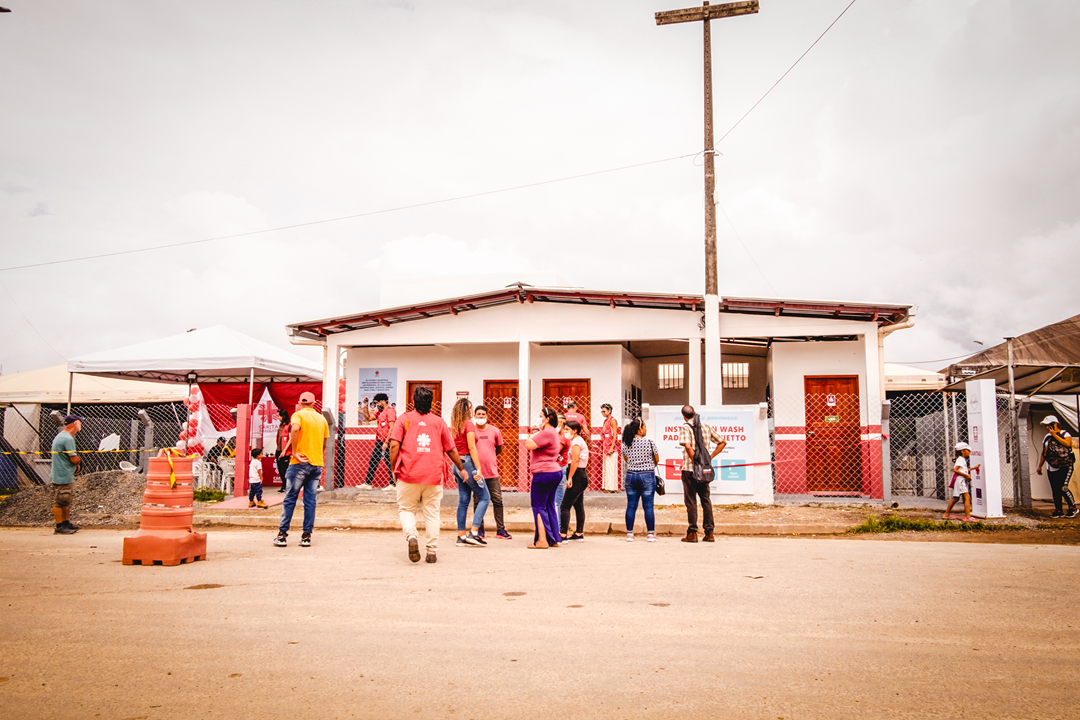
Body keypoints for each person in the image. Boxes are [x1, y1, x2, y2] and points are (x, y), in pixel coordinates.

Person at [389, 386, 465, 564]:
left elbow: (394, 446)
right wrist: (461, 467)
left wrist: (394, 468)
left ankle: (412, 537)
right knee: (432, 513)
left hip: (408, 474)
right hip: (433, 475)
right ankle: (431, 552)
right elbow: (451, 449)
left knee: (406, 509)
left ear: (413, 401)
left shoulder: (404, 419)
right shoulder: (439, 422)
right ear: (431, 402)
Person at [274, 392, 329, 549]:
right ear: (314, 403)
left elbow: (295, 429)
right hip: (316, 463)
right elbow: (324, 444)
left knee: (290, 498)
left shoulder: (298, 415)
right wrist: (317, 457)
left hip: (299, 462)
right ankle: (306, 537)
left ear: (300, 402)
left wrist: (296, 450)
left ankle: (282, 535)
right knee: (310, 500)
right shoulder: (321, 419)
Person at [679, 405, 726, 543]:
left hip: (689, 470)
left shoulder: (685, 427)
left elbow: (687, 446)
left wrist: (696, 461)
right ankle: (709, 533)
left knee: (691, 502)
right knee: (706, 500)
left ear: (684, 416)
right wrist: (708, 458)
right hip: (704, 471)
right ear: (695, 413)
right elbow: (722, 442)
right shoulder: (706, 426)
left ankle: (692, 533)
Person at [450, 397, 489, 547]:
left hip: (457, 464)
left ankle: (461, 536)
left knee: (464, 501)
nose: (473, 410)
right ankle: (474, 532)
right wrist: (478, 468)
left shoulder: (455, 426)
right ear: (467, 409)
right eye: (471, 407)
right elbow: (472, 448)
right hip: (467, 463)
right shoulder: (469, 425)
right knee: (485, 497)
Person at [524, 407, 563, 549]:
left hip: (543, 473)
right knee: (548, 505)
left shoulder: (546, 432)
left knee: (538, 505)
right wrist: (537, 432)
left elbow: (528, 444)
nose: (539, 418)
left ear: (547, 419)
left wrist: (532, 435)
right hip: (554, 472)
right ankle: (552, 538)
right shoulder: (552, 432)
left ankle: (542, 540)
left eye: (540, 416)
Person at [471, 405, 511, 539]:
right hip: (477, 473)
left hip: (492, 472)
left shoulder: (495, 431)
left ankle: (500, 530)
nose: (481, 417)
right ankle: (479, 529)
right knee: (478, 501)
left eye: (483, 414)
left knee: (497, 500)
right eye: (478, 414)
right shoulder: (471, 431)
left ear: (487, 416)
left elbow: (499, 448)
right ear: (474, 416)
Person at [621, 418, 659, 542]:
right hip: (647, 475)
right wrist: (647, 466)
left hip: (631, 475)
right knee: (648, 506)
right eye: (645, 427)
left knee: (631, 505)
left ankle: (630, 534)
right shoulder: (649, 442)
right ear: (640, 429)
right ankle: (651, 534)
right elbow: (656, 459)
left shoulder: (626, 443)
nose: (646, 429)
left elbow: (626, 459)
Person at [1036, 415, 1078, 518]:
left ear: (1055, 424)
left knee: (1063, 487)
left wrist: (1055, 435)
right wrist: (1040, 466)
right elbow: (1045, 452)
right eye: (1046, 426)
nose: (1047, 428)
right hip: (1052, 466)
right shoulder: (1047, 437)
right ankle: (1058, 510)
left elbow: (1068, 444)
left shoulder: (1065, 434)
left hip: (1065, 465)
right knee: (1055, 489)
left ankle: (1073, 507)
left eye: (1049, 425)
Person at [49, 414, 83, 535]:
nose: (81, 425)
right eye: (80, 422)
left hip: (62, 473)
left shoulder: (62, 436)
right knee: (60, 501)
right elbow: (73, 458)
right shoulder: (68, 439)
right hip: (62, 475)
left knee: (65, 501)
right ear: (74, 423)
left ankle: (66, 523)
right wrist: (79, 461)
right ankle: (59, 526)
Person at [560, 419, 589, 541]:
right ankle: (579, 532)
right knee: (578, 505)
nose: (565, 432)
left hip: (577, 475)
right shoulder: (577, 440)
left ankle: (562, 534)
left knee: (565, 506)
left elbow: (575, 460)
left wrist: (570, 477)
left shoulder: (577, 441)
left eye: (567, 429)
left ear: (575, 430)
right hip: (580, 475)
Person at [364, 393, 397, 488]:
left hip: (388, 441)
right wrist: (365, 407)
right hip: (379, 441)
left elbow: (392, 427)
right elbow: (368, 418)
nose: (376, 405)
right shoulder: (379, 412)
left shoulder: (390, 411)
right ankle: (368, 483)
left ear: (383, 401)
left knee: (389, 462)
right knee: (373, 460)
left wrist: (386, 442)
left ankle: (393, 484)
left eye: (377, 403)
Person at [944, 442, 980, 521]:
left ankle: (946, 514)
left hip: (960, 480)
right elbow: (955, 470)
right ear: (963, 451)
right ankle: (968, 517)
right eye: (968, 450)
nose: (969, 452)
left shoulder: (961, 459)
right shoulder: (961, 459)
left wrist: (974, 468)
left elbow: (964, 470)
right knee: (967, 497)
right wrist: (967, 475)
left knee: (956, 498)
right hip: (961, 481)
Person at [600, 403, 620, 493]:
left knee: (612, 467)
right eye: (602, 411)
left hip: (611, 447)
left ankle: (612, 487)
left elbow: (615, 434)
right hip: (605, 447)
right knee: (606, 468)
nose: (603, 413)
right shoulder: (605, 421)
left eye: (604, 411)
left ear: (609, 411)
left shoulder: (613, 420)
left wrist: (612, 447)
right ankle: (607, 487)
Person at [275, 408, 292, 493]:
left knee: (284, 469)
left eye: (279, 416)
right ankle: (284, 485)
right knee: (280, 469)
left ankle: (287, 485)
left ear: (283, 416)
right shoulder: (281, 425)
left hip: (285, 451)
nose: (278, 417)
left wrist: (284, 450)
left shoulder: (289, 425)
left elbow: (290, 439)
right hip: (279, 449)